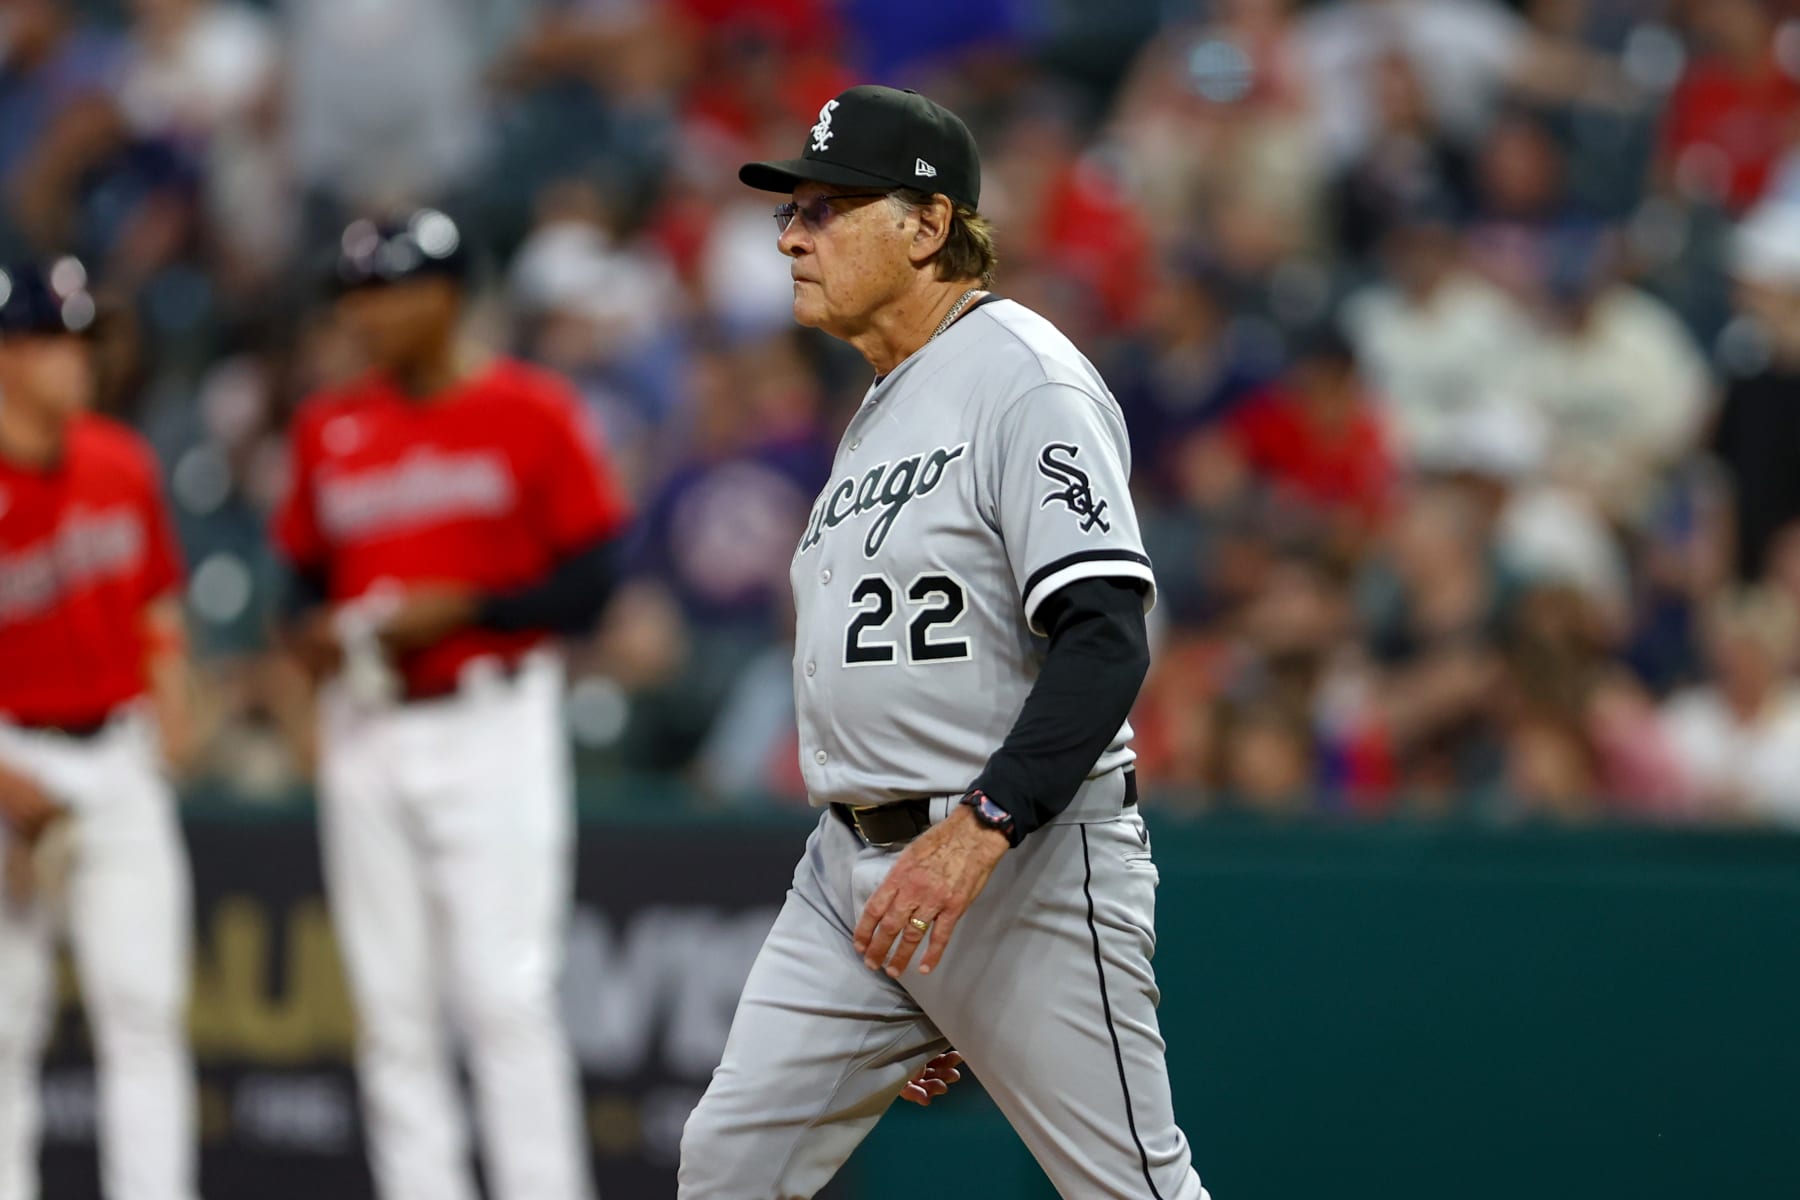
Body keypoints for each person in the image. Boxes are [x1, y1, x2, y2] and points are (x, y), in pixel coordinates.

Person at [679, 85, 1209, 1199]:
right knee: (729, 1166)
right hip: (855, 877)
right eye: (793, 213)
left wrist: (977, 838)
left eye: (825, 209)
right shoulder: (881, 406)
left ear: (925, 226)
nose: (789, 235)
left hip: (1016, 861)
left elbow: (1106, 639)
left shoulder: (1023, 373)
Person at [270, 210, 629, 1200]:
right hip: (367, 722)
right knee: (392, 1013)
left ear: (449, 295)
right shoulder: (329, 426)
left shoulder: (532, 409)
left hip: (491, 714)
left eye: (388, 290)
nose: (366, 312)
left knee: (505, 998)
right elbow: (299, 579)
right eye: (355, 294)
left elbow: (593, 582)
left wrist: (465, 607)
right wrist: (307, 637)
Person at [0, 259, 201, 1200]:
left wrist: (170, 694)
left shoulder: (120, 459)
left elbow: (156, 596)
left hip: (116, 754)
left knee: (145, 1012)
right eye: (55, 340)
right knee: (5, 1025)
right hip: (10, 755)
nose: (79, 358)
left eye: (84, 338)